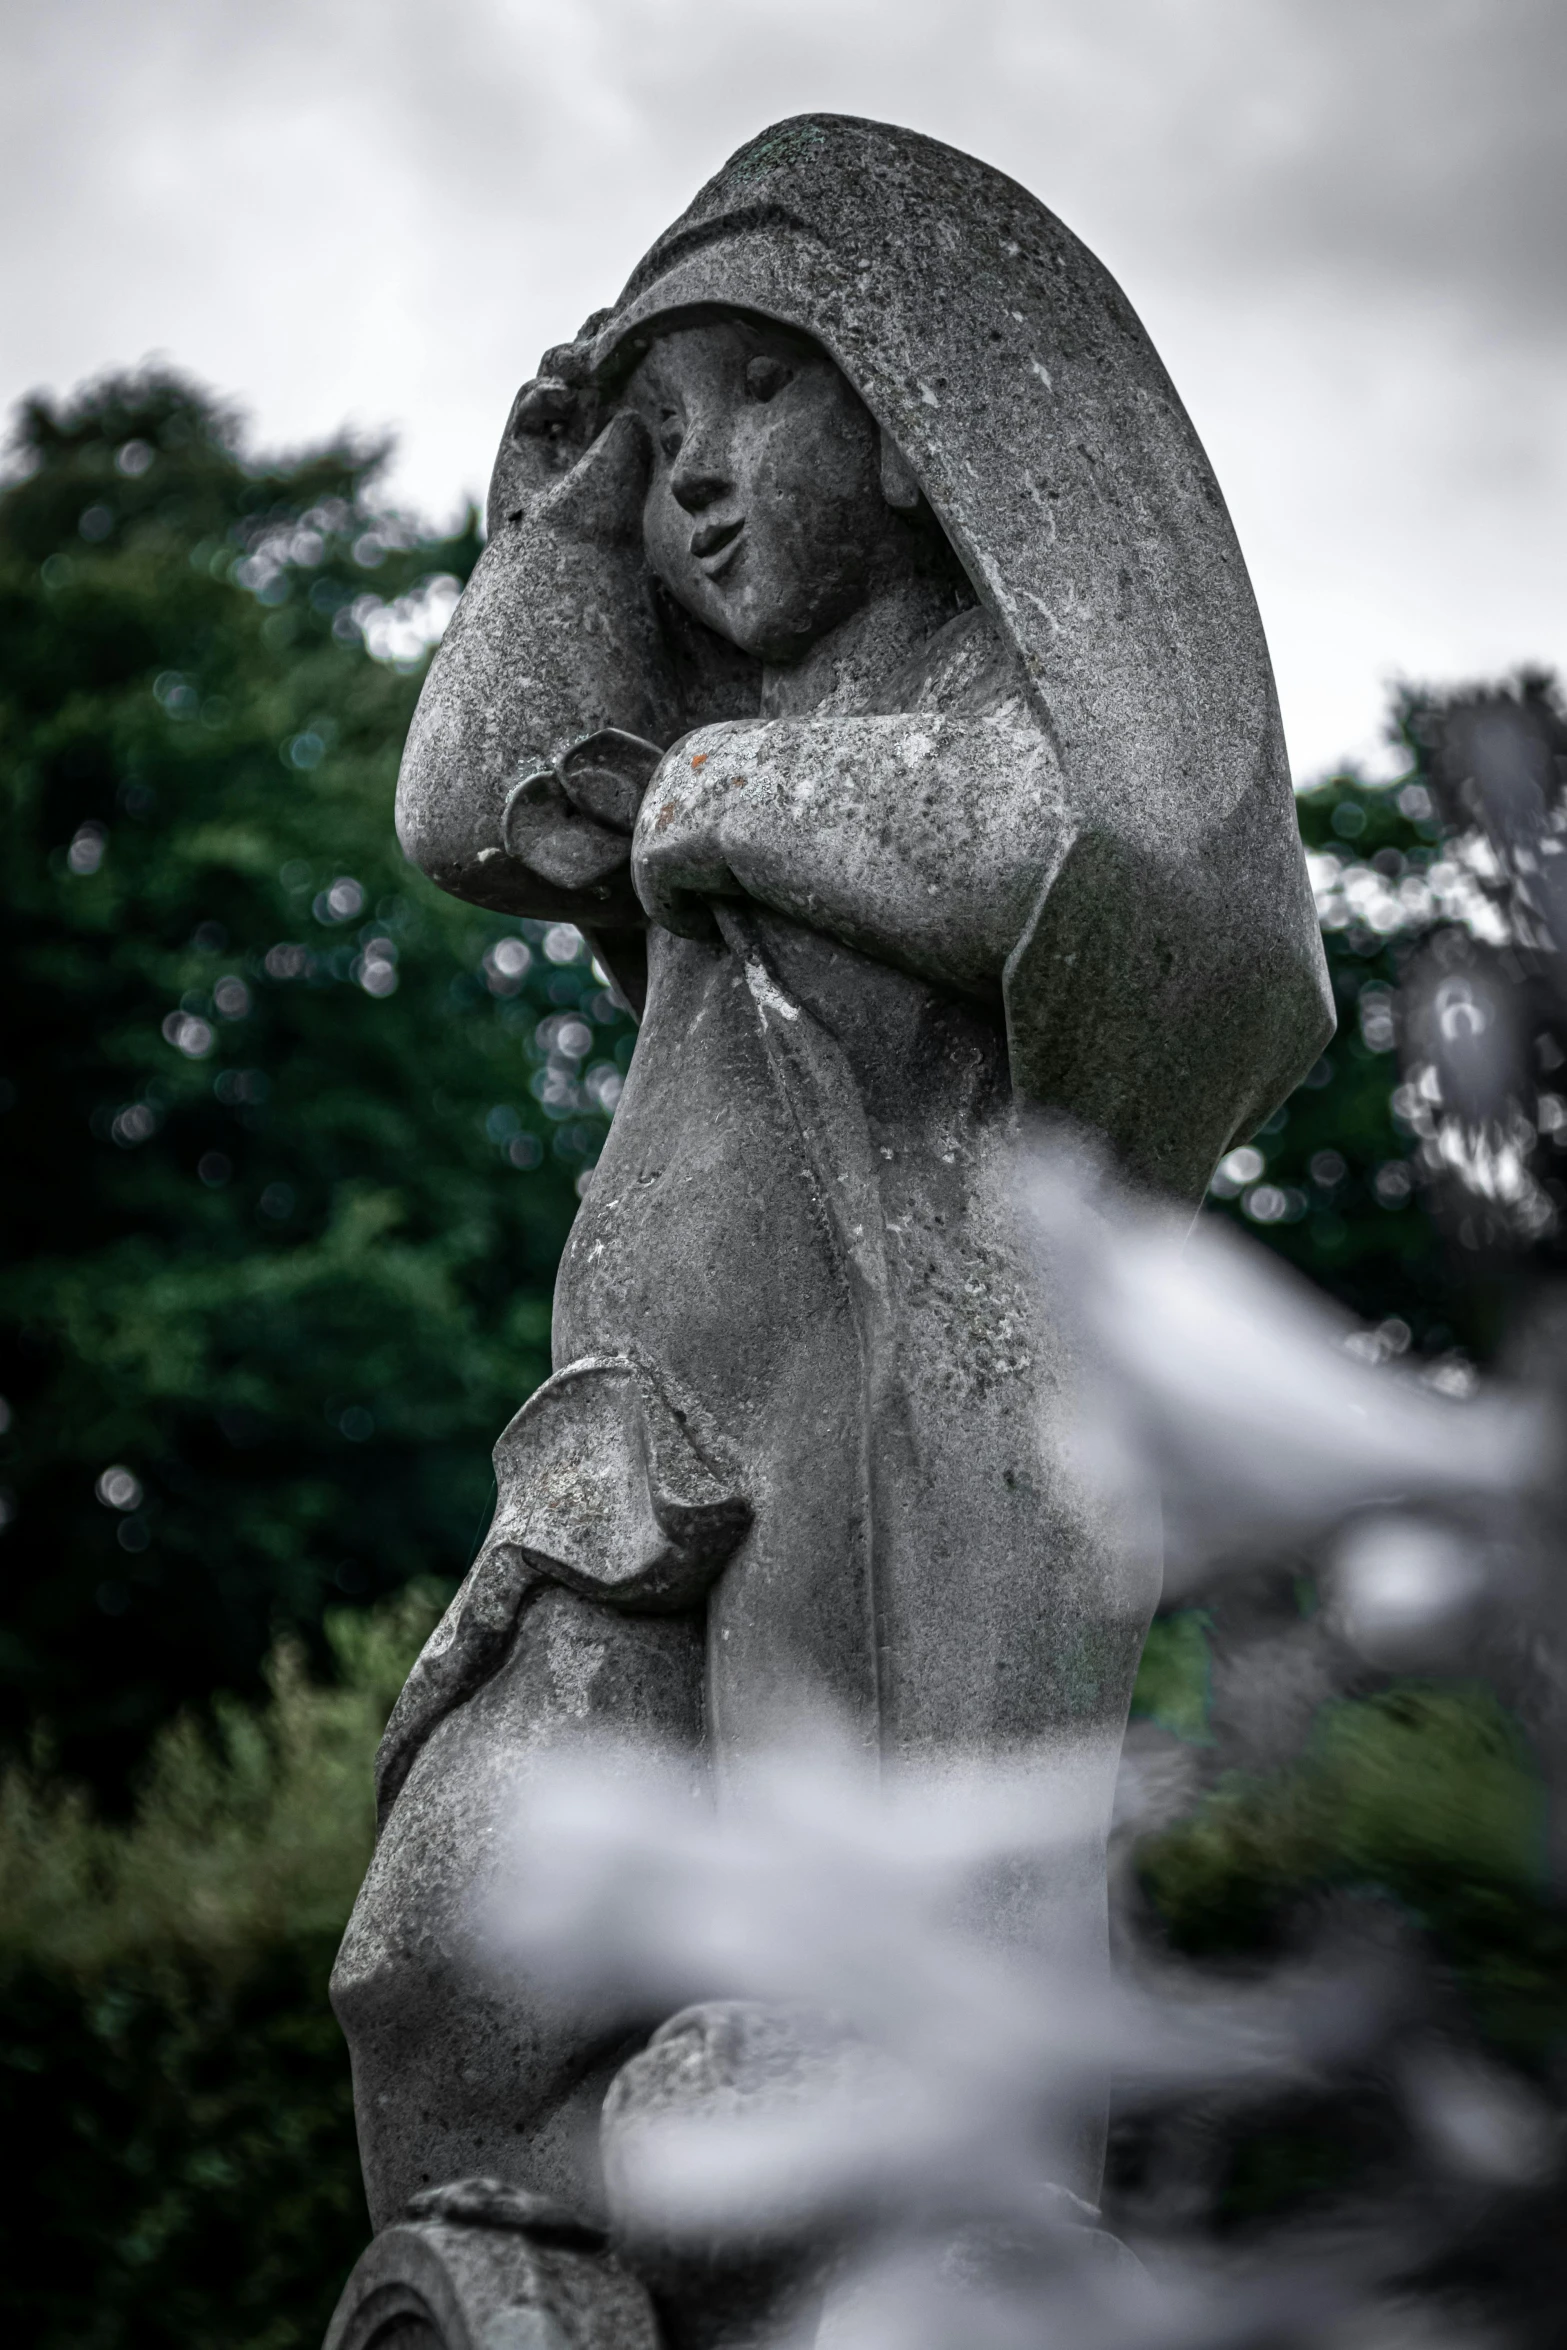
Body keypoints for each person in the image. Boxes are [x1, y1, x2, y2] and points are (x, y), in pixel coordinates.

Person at [331, 114, 1333, 2234]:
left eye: (759, 392)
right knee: (427, 1966)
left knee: (860, 1990)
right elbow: (465, 811)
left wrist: (736, 787)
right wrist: (563, 519)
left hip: (901, 1433)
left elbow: (1109, 857)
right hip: (622, 1456)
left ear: (910, 428)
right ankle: (623, 2183)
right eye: (660, 429)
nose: (695, 471)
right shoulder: (689, 672)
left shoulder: (986, 687)